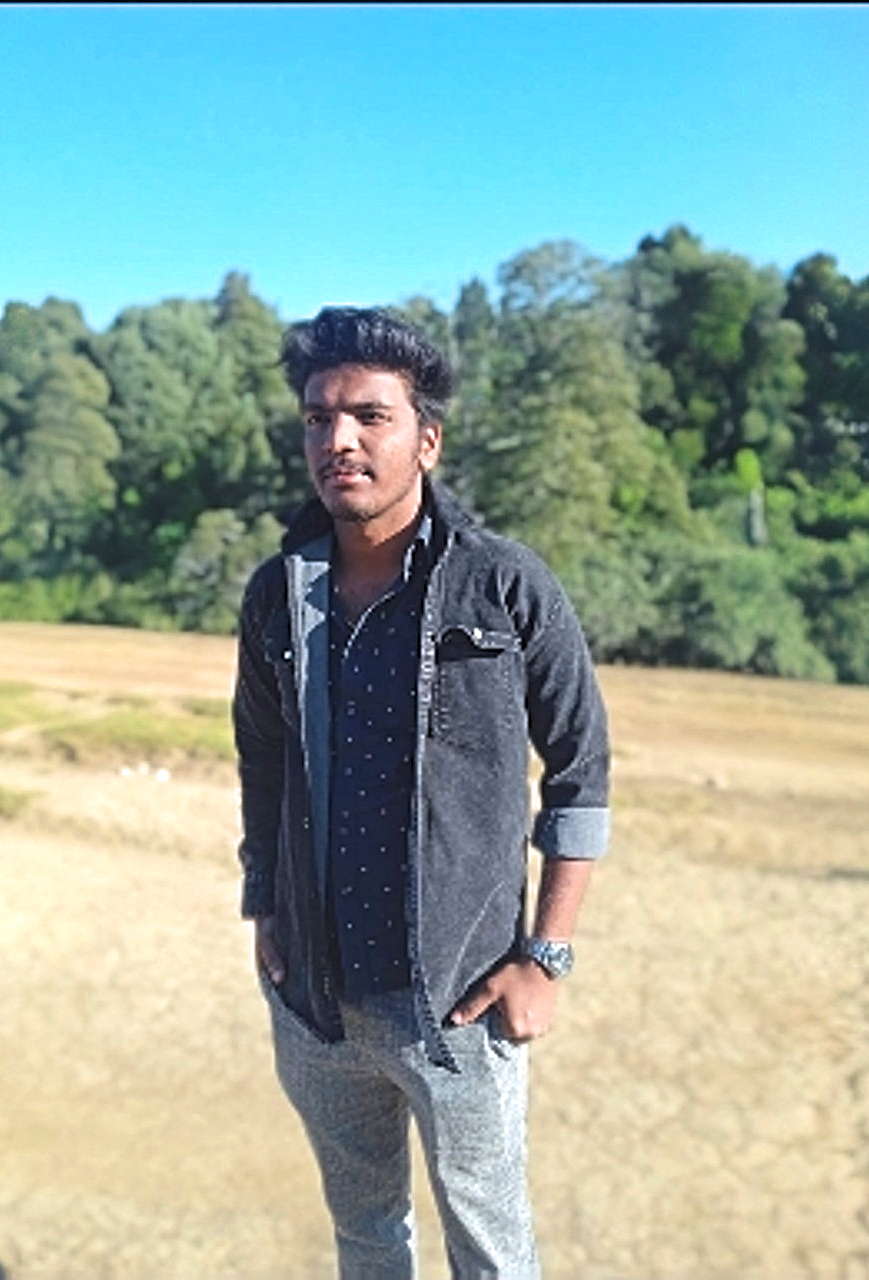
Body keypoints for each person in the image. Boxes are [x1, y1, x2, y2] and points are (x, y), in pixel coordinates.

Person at [233, 306, 611, 1278]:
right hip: (316, 1003)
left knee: (491, 1249)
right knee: (366, 1235)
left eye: (370, 416)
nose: (339, 439)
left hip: (458, 1004)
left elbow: (581, 770)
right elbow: (262, 760)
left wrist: (546, 956)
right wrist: (264, 902)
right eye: (318, 418)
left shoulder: (505, 587)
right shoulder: (276, 595)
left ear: (427, 440)